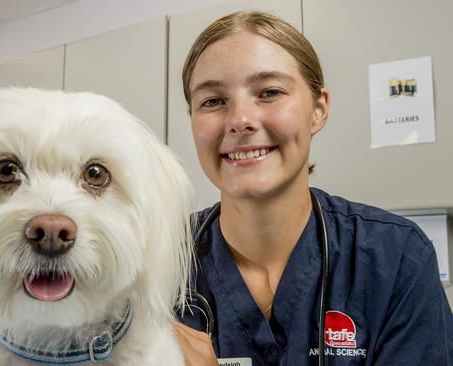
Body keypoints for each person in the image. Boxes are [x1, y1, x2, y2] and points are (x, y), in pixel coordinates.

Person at [172, 10, 453, 365]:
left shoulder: (396, 258)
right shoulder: (155, 262)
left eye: (269, 92)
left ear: (318, 109)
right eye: (212, 101)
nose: (240, 120)